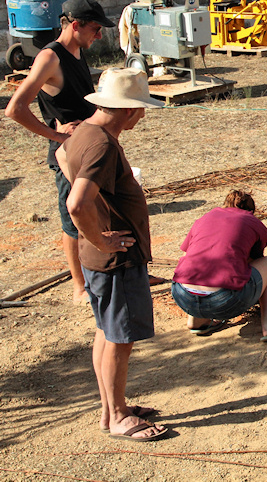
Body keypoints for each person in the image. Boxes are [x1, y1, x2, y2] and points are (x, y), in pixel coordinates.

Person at [54, 68, 168, 442]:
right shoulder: (102, 145)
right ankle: (119, 416)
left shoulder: (82, 131)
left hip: (98, 259)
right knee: (120, 338)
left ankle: (109, 410)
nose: (143, 115)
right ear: (128, 110)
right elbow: (76, 204)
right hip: (115, 260)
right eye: (141, 108)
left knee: (106, 332)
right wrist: (103, 240)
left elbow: (60, 154)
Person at [5, 0, 115, 303]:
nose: (99, 35)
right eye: (95, 28)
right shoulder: (50, 57)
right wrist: (56, 135)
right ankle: (79, 287)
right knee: (72, 219)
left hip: (89, 146)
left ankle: (102, 271)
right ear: (76, 25)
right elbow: (15, 109)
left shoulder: (77, 51)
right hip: (67, 154)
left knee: (98, 210)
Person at [171, 190, 267, 342]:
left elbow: (187, 253)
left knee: (193, 259)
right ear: (251, 211)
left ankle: (195, 321)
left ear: (225, 205)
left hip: (182, 296)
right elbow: (255, 260)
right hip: (223, 301)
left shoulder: (204, 218)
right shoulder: (252, 222)